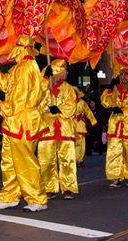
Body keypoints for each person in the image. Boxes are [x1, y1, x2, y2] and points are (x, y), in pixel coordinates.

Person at [0, 35, 47, 212]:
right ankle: (9, 196)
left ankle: (36, 198)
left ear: (22, 48)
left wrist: (2, 107)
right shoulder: (19, 67)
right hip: (14, 122)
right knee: (9, 161)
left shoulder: (27, 66)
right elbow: (6, 84)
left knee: (25, 161)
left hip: (23, 122)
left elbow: (20, 98)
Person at [38, 59, 78, 199]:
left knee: (67, 160)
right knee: (46, 161)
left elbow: (71, 107)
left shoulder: (68, 88)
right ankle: (49, 188)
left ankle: (68, 188)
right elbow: (36, 103)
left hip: (65, 129)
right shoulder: (43, 87)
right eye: (63, 69)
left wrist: (56, 109)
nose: (66, 72)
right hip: (46, 129)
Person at [101, 67, 128, 188]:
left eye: (127, 74)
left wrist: (124, 112)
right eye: (122, 74)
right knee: (114, 151)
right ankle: (116, 177)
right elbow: (105, 102)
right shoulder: (114, 90)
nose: (124, 77)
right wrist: (109, 89)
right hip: (115, 125)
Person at [73, 88, 98, 166]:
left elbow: (88, 112)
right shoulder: (67, 102)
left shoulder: (82, 103)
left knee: (80, 143)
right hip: (70, 125)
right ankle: (73, 159)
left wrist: (93, 121)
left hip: (80, 124)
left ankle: (79, 159)